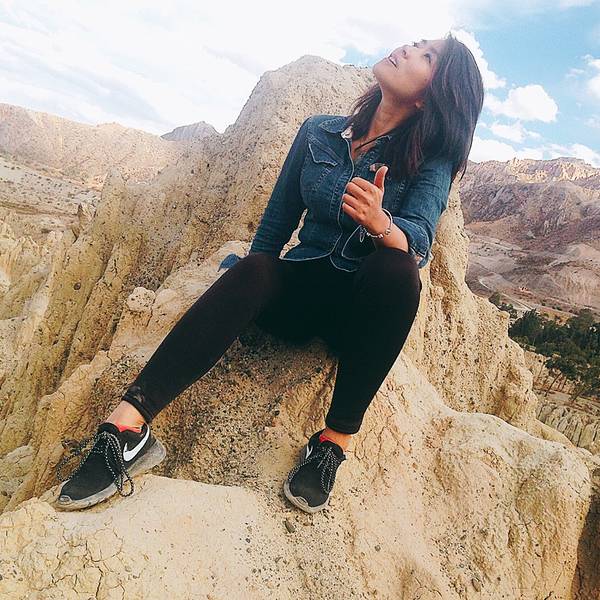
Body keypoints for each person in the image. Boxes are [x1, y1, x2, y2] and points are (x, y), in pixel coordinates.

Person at [54, 32, 484, 514]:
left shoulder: (432, 160)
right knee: (256, 267)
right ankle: (127, 427)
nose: (407, 49)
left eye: (426, 56)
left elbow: (419, 242)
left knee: (398, 270)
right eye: (415, 42)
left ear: (429, 96)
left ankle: (333, 442)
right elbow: (277, 222)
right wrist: (242, 291)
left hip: (355, 316)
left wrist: (379, 222)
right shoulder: (319, 132)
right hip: (300, 294)